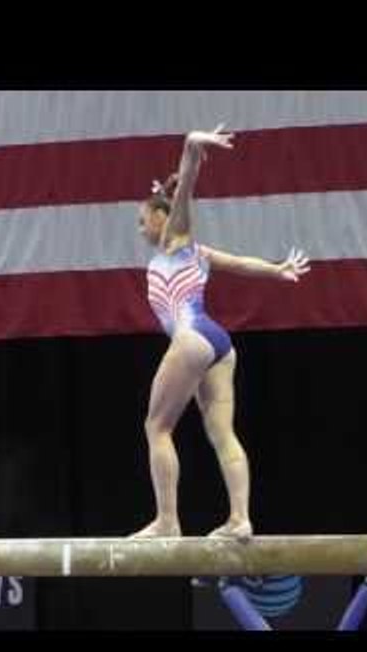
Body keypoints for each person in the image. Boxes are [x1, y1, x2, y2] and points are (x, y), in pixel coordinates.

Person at [132, 124, 310, 540]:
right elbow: (241, 263)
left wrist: (192, 145)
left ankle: (167, 522)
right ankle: (240, 519)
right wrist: (277, 270)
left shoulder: (176, 240)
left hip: (192, 336)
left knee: (156, 427)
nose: (141, 229)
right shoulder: (198, 252)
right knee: (222, 432)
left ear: (162, 217)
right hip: (218, 342)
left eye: (143, 221)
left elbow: (187, 184)